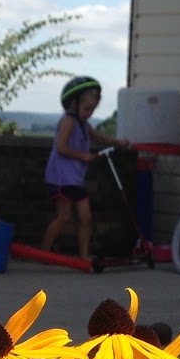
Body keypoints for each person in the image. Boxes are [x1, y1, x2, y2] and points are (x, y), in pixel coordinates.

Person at [41, 76, 128, 259]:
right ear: (74, 103)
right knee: (64, 216)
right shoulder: (68, 121)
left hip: (75, 179)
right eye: (87, 108)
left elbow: (99, 138)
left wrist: (117, 142)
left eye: (93, 110)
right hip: (61, 178)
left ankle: (84, 256)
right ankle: (44, 253)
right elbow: (61, 147)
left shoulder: (83, 124)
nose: (89, 113)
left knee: (86, 218)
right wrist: (84, 156)